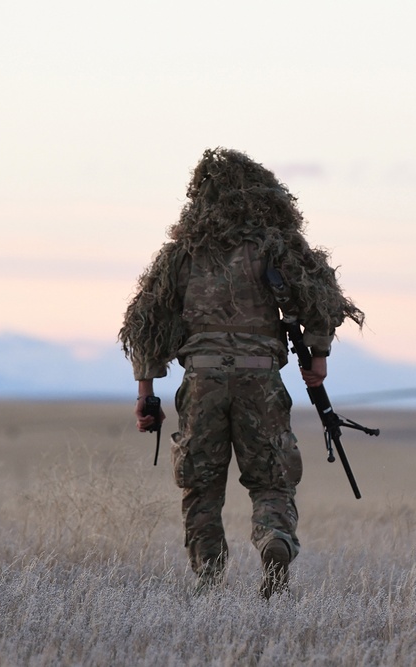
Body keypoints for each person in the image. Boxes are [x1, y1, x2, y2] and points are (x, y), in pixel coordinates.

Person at [119, 148, 364, 597]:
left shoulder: (181, 254)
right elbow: (320, 297)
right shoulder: (275, 246)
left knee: (201, 486)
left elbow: (147, 323)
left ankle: (208, 580)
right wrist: (320, 357)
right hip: (260, 379)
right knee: (271, 479)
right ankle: (274, 540)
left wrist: (146, 391)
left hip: (202, 379)